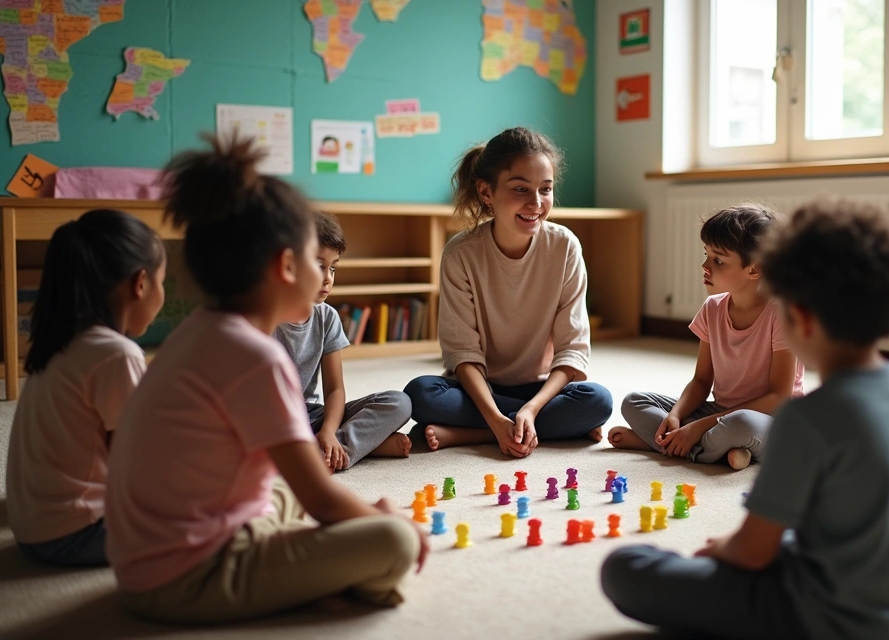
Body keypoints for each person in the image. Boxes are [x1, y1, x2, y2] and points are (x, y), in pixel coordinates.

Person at [105, 135, 425, 624]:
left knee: (279, 487)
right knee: (396, 541)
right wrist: (381, 517)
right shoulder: (257, 355)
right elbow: (320, 498)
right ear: (285, 266)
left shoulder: (200, 332)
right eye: (314, 262)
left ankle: (304, 575)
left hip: (148, 561)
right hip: (187, 579)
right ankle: (311, 583)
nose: (325, 276)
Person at [601, 200, 889, 639]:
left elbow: (750, 551)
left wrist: (722, 549)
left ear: (797, 316)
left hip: (833, 619)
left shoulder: (806, 419)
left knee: (625, 569)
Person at [404, 127, 612, 457]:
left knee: (597, 400)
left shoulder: (565, 246)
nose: (536, 203)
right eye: (520, 189)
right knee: (420, 393)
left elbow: (572, 349)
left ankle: (470, 434)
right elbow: (462, 353)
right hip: (478, 389)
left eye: (546, 189)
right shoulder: (461, 253)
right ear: (486, 192)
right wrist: (494, 416)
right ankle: (519, 428)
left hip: (539, 389)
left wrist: (531, 409)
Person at [6, 209, 165, 566]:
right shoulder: (116, 354)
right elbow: (138, 467)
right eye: (163, 282)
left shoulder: (61, 342)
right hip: (78, 533)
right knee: (226, 504)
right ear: (140, 283)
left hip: (33, 530)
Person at [608, 203, 803, 470]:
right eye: (706, 255)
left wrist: (701, 425)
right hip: (721, 412)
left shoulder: (783, 313)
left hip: (771, 419)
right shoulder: (712, 309)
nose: (705, 266)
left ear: (754, 269)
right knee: (634, 402)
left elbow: (778, 396)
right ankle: (717, 451)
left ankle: (661, 444)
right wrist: (676, 416)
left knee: (741, 424)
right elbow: (701, 381)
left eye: (718, 260)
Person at [274, 211, 412, 471]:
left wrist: (328, 431)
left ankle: (333, 449)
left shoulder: (327, 317)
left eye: (333, 267)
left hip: (312, 416)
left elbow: (335, 390)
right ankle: (358, 447)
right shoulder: (267, 319)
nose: (328, 277)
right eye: (319, 265)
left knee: (399, 402)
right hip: (273, 420)